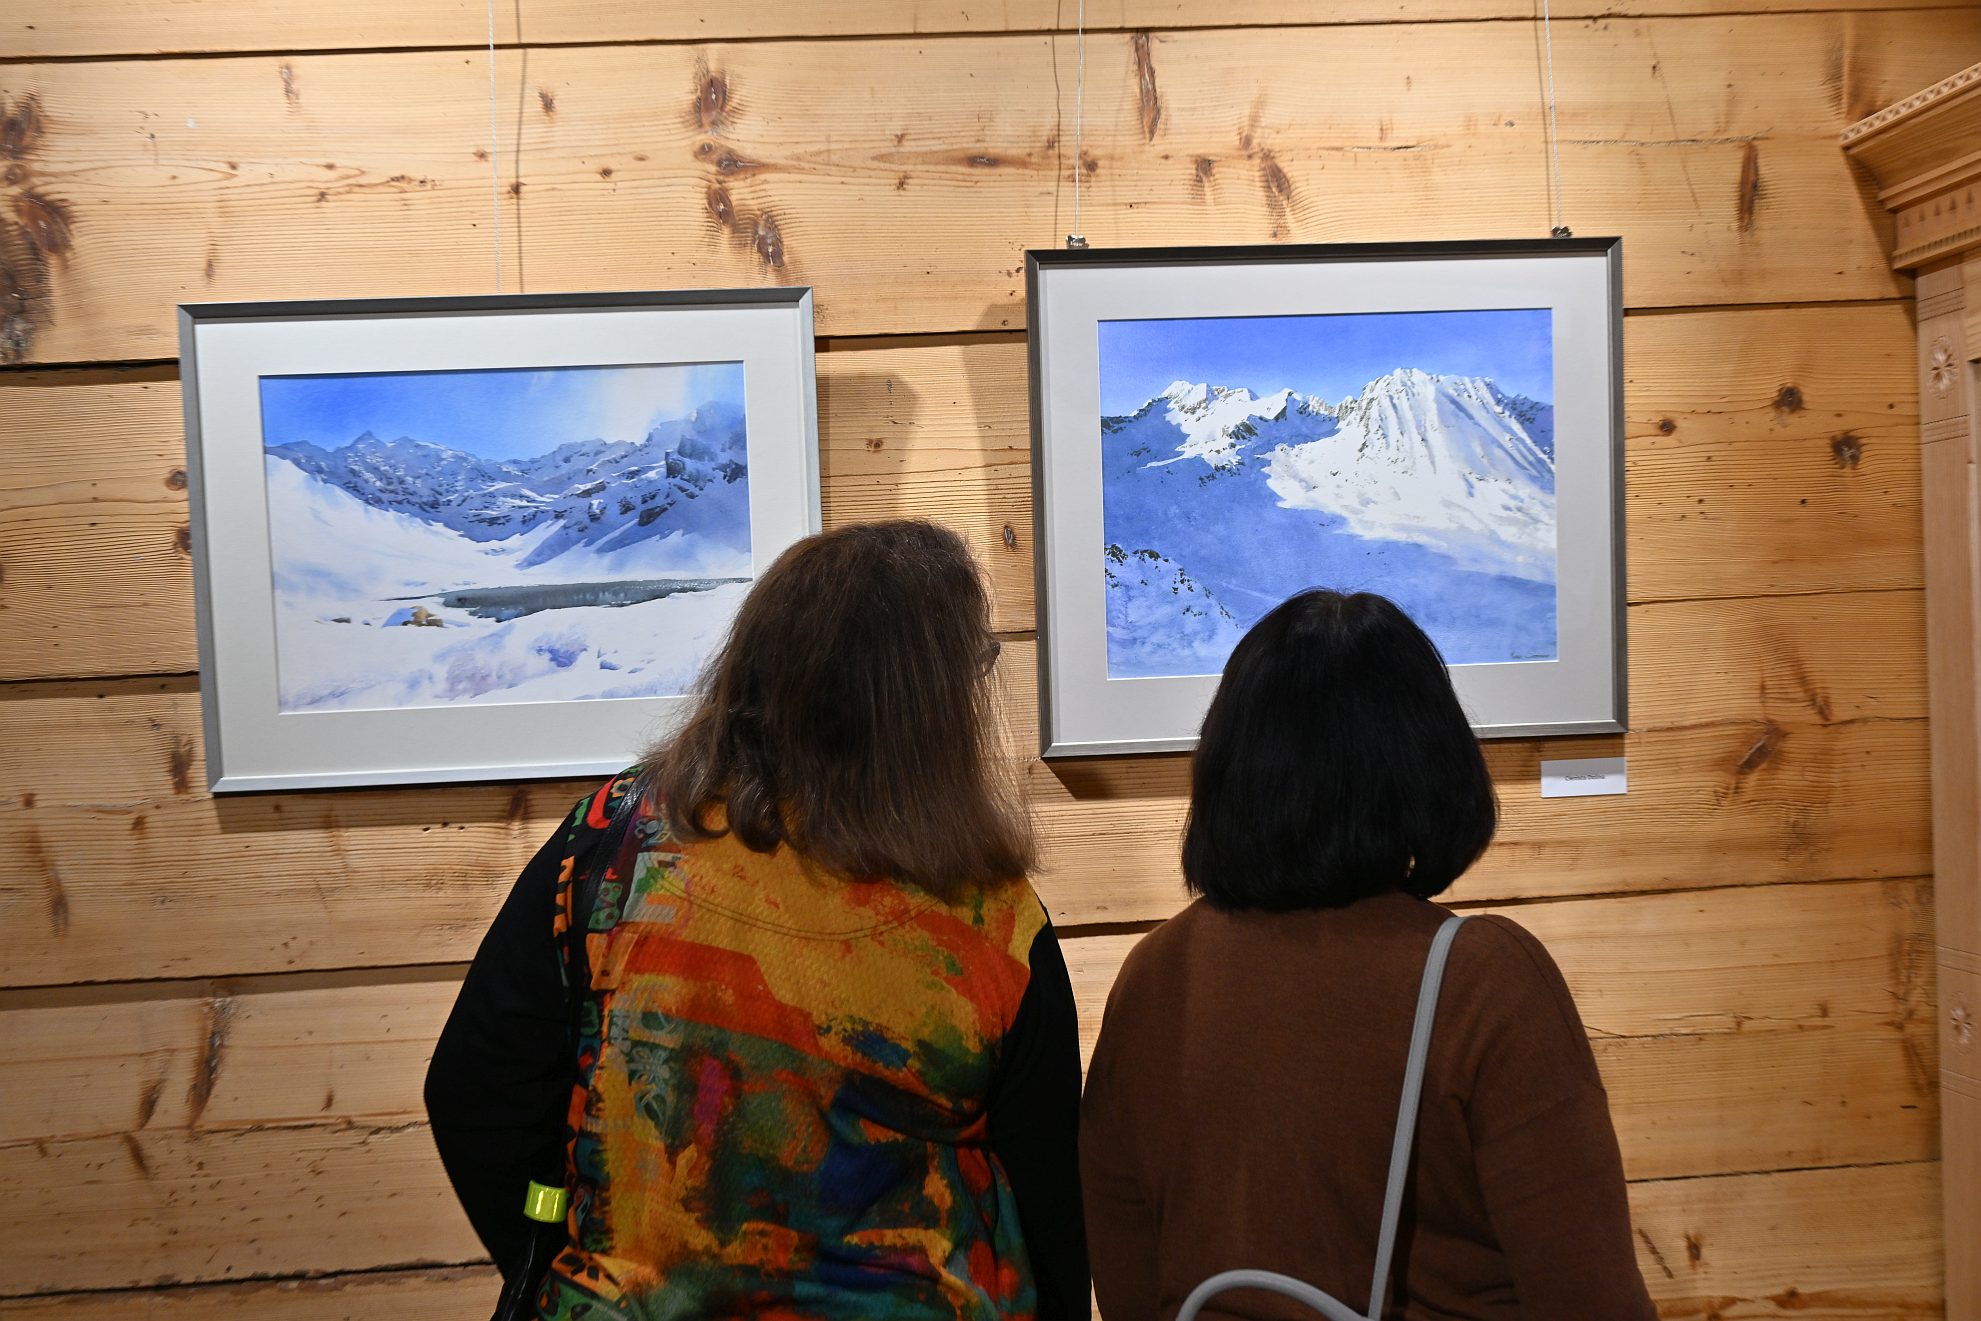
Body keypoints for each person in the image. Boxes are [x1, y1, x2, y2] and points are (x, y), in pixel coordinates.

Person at [426, 520, 1088, 1321]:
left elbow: (477, 1089)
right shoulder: (991, 918)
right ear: (929, 700)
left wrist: (562, 1250)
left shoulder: (613, 836)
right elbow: (1046, 1192)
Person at [1080, 590, 1656, 1320]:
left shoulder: (1154, 974)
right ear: (1426, 760)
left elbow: (1126, 1278)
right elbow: (1592, 1298)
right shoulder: (1482, 982)